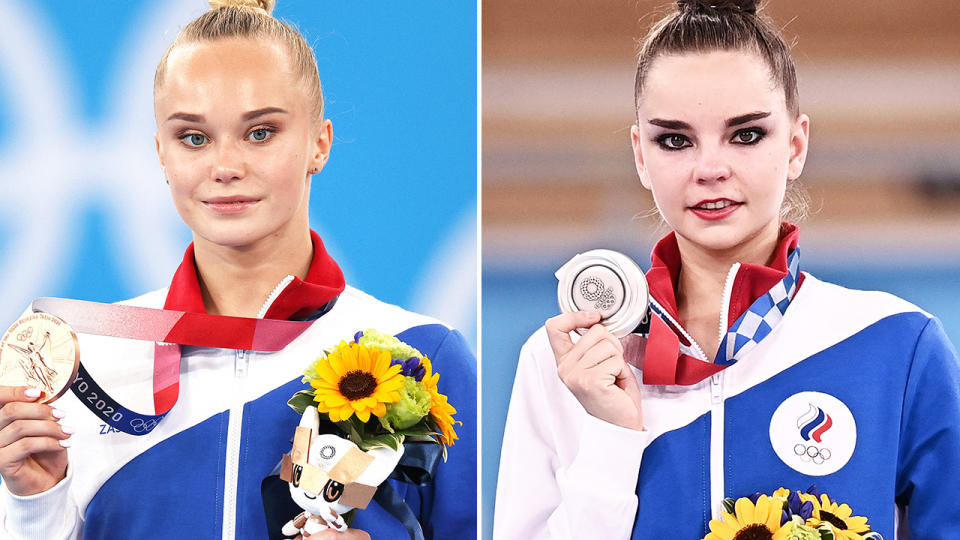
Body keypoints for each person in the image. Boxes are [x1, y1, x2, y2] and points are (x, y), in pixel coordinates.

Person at [0, 1, 476, 539]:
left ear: (319, 143)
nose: (225, 167)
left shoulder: (418, 355)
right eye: (194, 138)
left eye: (260, 132)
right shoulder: (86, 362)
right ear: (161, 152)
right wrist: (35, 503)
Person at [494, 0, 960, 538]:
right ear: (641, 156)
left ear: (795, 144)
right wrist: (609, 439)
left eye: (745, 135)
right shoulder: (565, 364)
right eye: (675, 140)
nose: (710, 169)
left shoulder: (896, 346)